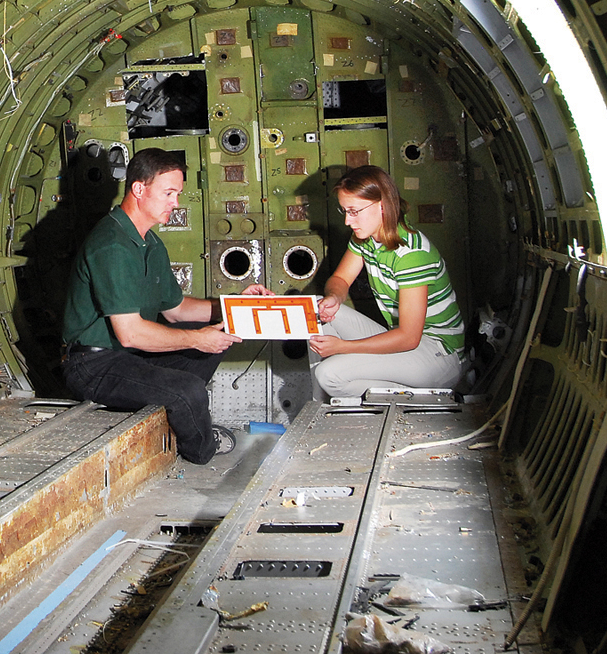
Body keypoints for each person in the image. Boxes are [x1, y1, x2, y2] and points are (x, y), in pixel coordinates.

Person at [60, 148, 243, 463]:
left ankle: (174, 412)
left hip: (128, 357)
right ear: (139, 189)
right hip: (92, 366)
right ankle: (201, 451)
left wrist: (236, 307)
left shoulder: (149, 242)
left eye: (178, 193)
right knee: (188, 389)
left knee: (217, 341)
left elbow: (177, 310)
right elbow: (131, 334)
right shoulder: (112, 245)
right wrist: (198, 337)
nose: (176, 202)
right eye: (168, 193)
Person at [248, 164, 465, 398]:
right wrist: (334, 297)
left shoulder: (411, 254)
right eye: (345, 212)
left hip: (439, 355)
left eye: (354, 211)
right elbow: (340, 279)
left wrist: (343, 348)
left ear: (382, 205)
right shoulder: (366, 240)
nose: (348, 221)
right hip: (408, 344)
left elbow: (409, 337)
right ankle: (321, 407)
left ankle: (426, 396)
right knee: (318, 309)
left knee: (329, 374)